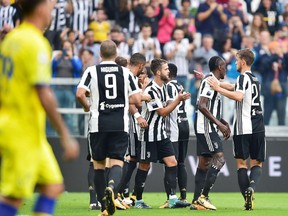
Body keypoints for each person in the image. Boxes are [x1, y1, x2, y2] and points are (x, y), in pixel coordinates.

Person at [0, 0, 79, 216]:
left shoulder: (11, 39)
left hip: (26, 130)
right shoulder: (35, 43)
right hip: (22, 130)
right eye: (52, 6)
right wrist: (65, 135)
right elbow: (44, 93)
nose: (53, 11)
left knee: (52, 186)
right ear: (42, 8)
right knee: (12, 198)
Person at [76, 40, 142, 216]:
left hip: (98, 124)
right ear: (116, 53)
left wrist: (87, 106)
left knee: (98, 165)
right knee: (117, 162)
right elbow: (136, 99)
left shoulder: (91, 71)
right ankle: (112, 187)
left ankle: (104, 206)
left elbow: (80, 93)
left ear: (100, 54)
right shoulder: (125, 73)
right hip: (120, 125)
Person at [207, 49, 266, 210]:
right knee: (257, 163)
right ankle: (251, 189)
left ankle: (247, 199)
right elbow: (233, 87)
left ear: (243, 62)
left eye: (237, 60)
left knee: (241, 164)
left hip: (243, 126)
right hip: (258, 125)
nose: (235, 63)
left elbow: (238, 95)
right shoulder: (254, 79)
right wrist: (216, 83)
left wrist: (218, 89)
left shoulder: (242, 77)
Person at [135, 58, 191, 209]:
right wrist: (178, 100)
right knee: (144, 166)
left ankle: (172, 199)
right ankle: (138, 200)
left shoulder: (164, 87)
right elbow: (162, 112)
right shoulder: (151, 90)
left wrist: (177, 99)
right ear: (158, 72)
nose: (169, 72)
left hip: (161, 134)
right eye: (166, 69)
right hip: (148, 134)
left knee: (172, 162)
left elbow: (164, 105)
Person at [190, 56, 230, 211]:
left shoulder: (212, 81)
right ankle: (203, 197)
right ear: (220, 66)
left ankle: (195, 201)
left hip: (207, 126)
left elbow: (209, 107)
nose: (226, 69)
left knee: (204, 163)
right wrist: (218, 124)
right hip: (206, 128)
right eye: (225, 66)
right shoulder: (209, 81)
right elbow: (202, 105)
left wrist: (222, 121)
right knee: (219, 159)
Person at [159, 63, 190, 208]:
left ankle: (170, 198)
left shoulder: (170, 86)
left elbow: (171, 106)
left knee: (170, 163)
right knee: (181, 162)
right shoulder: (180, 86)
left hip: (174, 127)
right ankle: (183, 196)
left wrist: (161, 105)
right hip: (184, 125)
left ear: (169, 72)